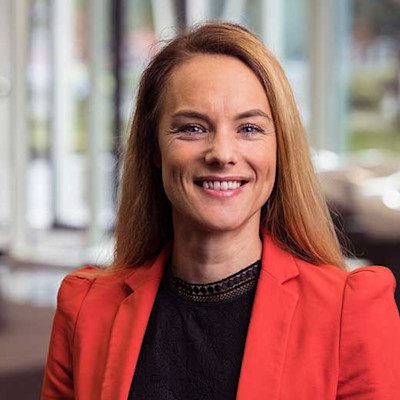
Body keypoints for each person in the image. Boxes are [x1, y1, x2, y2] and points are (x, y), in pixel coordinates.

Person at [41, 21, 400, 400]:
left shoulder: (350, 311)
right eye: (193, 128)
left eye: (249, 129)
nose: (223, 154)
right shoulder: (85, 308)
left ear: (280, 149)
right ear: (153, 150)